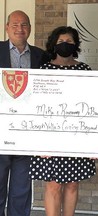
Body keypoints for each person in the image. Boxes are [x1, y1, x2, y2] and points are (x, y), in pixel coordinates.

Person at [29, 26, 96, 216]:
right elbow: (34, 106)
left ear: (75, 44)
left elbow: (94, 106)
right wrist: (37, 141)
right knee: (53, 185)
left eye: (69, 42)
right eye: (60, 42)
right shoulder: (42, 69)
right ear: (53, 45)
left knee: (73, 184)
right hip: (50, 135)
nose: (65, 45)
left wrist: (94, 142)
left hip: (77, 134)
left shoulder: (85, 70)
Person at [0, 10, 48, 216]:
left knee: (22, 188)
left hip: (27, 133)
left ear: (30, 28)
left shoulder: (41, 56)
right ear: (7, 27)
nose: (20, 29)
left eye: (24, 25)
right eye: (15, 24)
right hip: (1, 131)